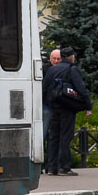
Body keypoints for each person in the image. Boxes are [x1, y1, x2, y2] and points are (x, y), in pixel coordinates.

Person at [44, 46, 91, 176]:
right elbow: (81, 88)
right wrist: (88, 106)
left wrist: (50, 103)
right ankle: (63, 167)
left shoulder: (52, 69)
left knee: (53, 137)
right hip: (68, 108)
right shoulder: (72, 69)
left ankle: (51, 167)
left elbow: (45, 88)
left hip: (54, 108)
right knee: (65, 136)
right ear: (71, 57)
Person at [40, 48, 61, 174]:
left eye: (59, 59)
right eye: (54, 58)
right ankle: (41, 164)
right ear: (50, 58)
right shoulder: (45, 70)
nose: (57, 61)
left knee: (53, 137)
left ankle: (50, 164)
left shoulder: (59, 69)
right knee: (43, 135)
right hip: (46, 106)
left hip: (55, 107)